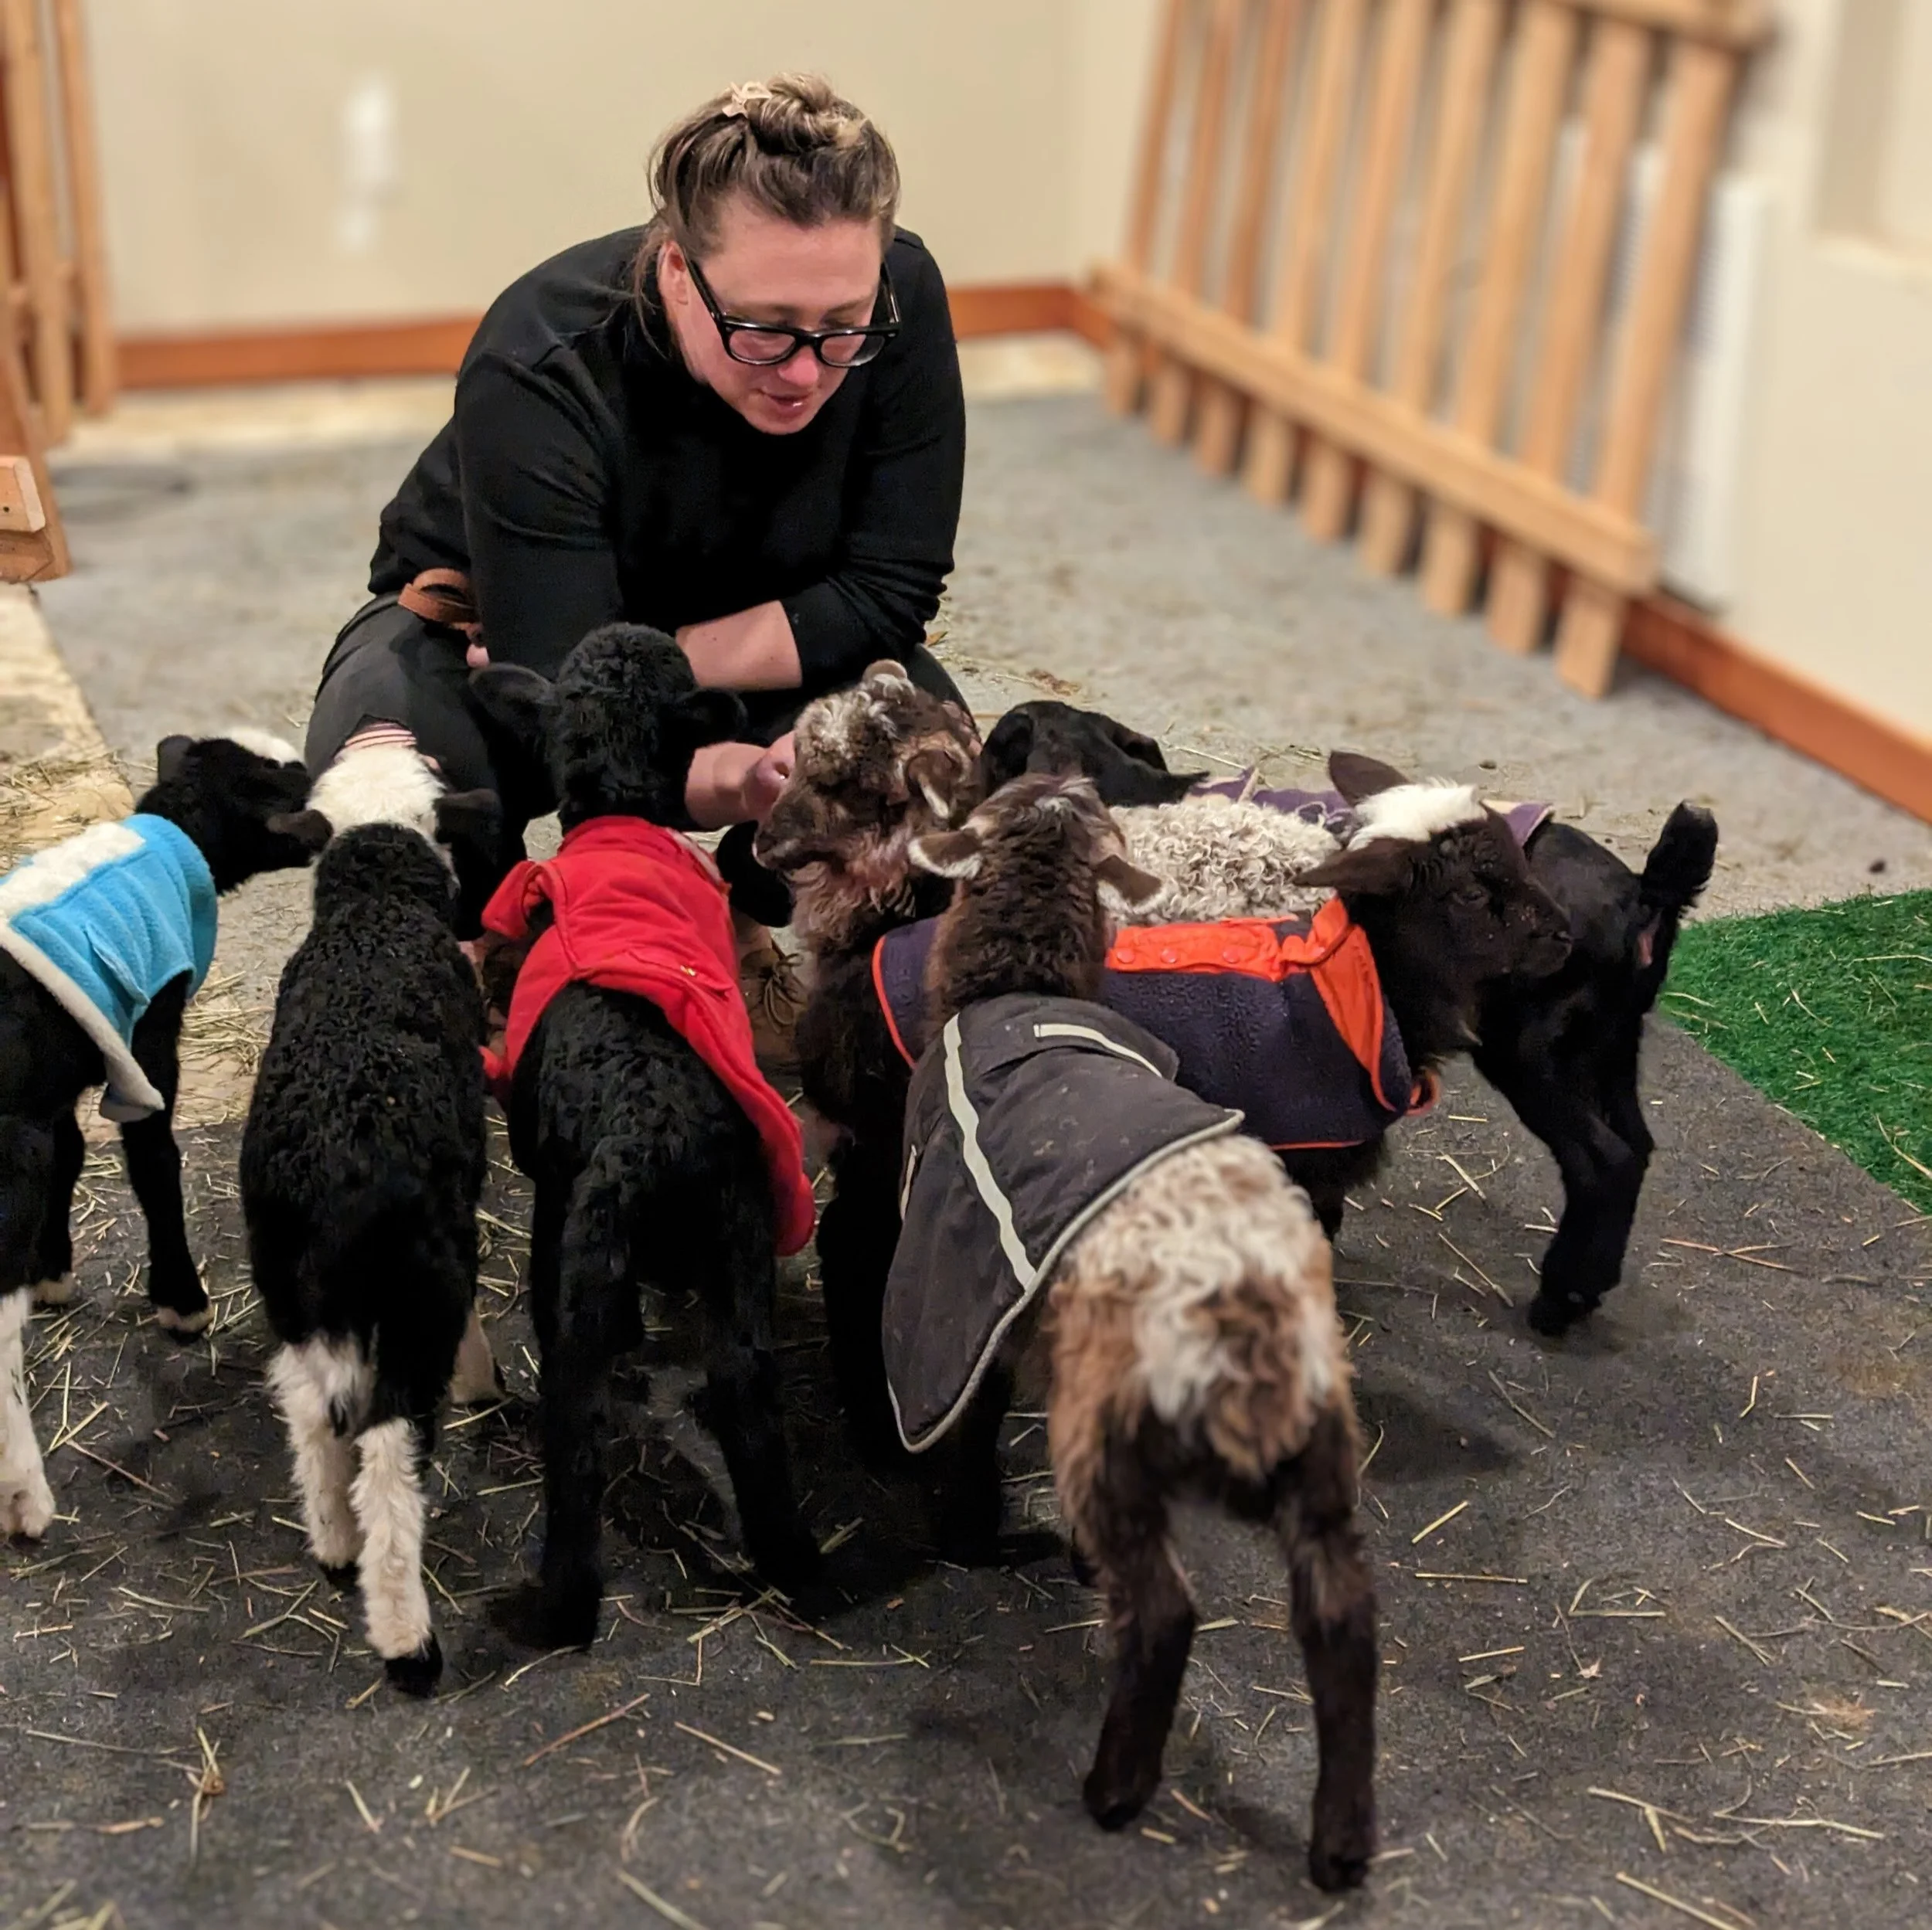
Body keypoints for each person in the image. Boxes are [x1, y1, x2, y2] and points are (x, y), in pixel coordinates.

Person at [302, 73, 969, 1063]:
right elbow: (558, 698)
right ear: (675, 271)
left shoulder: (903, 294)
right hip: (490, 633)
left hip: (728, 633)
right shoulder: (542, 355)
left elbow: (890, 590)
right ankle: (498, 940)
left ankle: (734, 908)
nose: (804, 371)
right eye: (763, 326)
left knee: (930, 779)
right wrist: (706, 752)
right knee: (394, 796)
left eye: (842, 326)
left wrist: (675, 691)